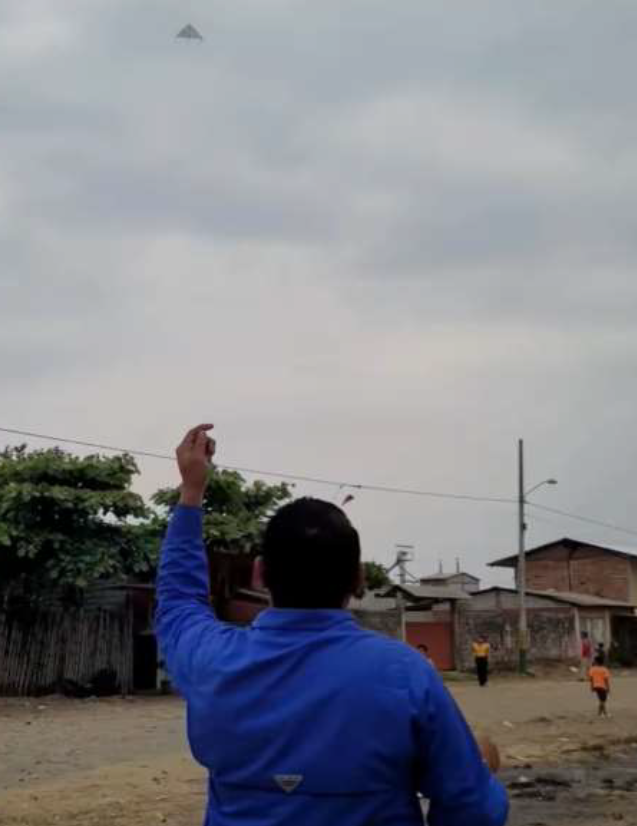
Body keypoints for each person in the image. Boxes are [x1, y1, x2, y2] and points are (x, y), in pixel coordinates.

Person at [156, 425, 508, 826]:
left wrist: (192, 492)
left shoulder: (212, 661)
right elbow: (473, 810)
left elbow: (178, 602)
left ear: (259, 573)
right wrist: (481, 771)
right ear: (358, 579)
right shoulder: (406, 673)